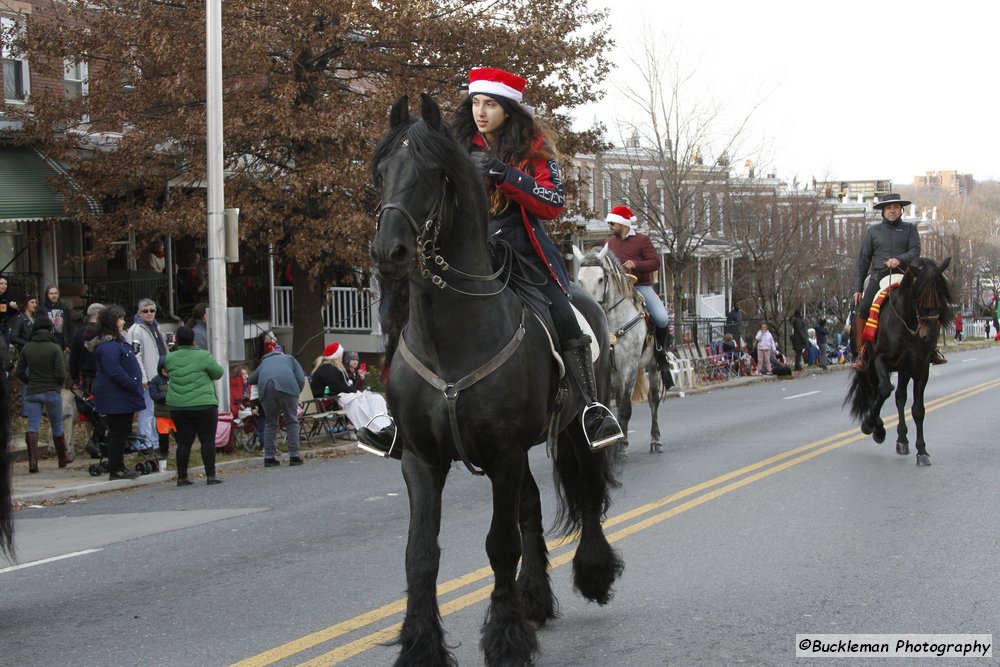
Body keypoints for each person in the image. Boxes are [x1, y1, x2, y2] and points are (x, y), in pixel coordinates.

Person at [426, 65, 619, 452]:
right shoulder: (458, 145)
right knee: (414, 304)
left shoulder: (534, 150)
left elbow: (553, 204)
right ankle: (402, 415)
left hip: (521, 255)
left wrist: (504, 174)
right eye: (476, 103)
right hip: (464, 253)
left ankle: (591, 409)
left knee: (567, 316)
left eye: (490, 105)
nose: (481, 112)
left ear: (508, 110)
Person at [852, 193, 944, 370]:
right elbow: (863, 261)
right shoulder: (873, 232)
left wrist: (899, 260)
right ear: (883, 211)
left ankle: (932, 349)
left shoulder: (910, 229)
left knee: (928, 305)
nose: (892, 211)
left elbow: (915, 252)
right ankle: (862, 352)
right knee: (862, 309)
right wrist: (857, 288)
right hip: (880, 276)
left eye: (895, 208)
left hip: (905, 276)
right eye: (889, 208)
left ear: (901, 210)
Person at [604, 205, 673, 372]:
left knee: (662, 318)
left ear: (623, 223)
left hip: (640, 286)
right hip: (616, 289)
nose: (610, 227)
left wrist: (636, 264)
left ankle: (661, 354)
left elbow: (654, 262)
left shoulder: (643, 240)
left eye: (613, 223)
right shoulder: (609, 242)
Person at [88, 305, 144, 480]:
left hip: (122, 395)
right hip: (116, 395)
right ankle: (116, 468)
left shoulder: (118, 342)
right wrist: (131, 384)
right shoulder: (108, 346)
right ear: (113, 322)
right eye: (120, 318)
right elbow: (113, 370)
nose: (123, 321)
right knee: (117, 432)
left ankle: (119, 465)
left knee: (121, 431)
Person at [164, 326, 224, 485]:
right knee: (207, 440)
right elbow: (218, 373)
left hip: (178, 406)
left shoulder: (170, 357)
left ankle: (182, 477)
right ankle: (210, 475)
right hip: (204, 404)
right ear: (193, 339)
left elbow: (163, 371)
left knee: (183, 442)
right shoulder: (203, 355)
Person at [312, 343, 391, 455]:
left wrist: (356, 386)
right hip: (327, 400)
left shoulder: (333, 368)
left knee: (376, 398)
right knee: (356, 403)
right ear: (336, 356)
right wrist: (352, 391)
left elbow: (347, 385)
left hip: (337, 396)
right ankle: (366, 428)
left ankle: (380, 424)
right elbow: (336, 386)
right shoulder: (327, 368)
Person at [15, 313, 69, 472]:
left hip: (32, 391)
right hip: (51, 390)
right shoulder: (54, 347)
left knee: (33, 426)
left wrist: (29, 382)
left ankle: (33, 463)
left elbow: (19, 371)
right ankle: (62, 459)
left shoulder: (27, 347)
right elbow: (61, 373)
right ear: (50, 329)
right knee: (57, 425)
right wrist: (57, 385)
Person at [247, 339, 306, 467]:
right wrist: (296, 392)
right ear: (282, 353)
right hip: (288, 388)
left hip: (266, 390)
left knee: (270, 423)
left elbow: (251, 379)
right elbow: (301, 379)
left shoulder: (265, 362)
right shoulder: (290, 359)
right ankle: (294, 456)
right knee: (291, 420)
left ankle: (269, 457)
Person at [127, 298, 169, 449]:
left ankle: (154, 441)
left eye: (152, 310)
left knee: (156, 411)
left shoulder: (157, 327)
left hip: (158, 376)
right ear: (139, 312)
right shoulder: (136, 330)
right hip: (148, 377)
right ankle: (145, 444)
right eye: (145, 311)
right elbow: (135, 356)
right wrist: (143, 377)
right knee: (147, 412)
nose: (149, 314)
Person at [69, 302, 104, 393]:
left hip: (86, 376)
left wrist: (75, 377)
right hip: (101, 375)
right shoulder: (104, 332)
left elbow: (74, 357)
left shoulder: (79, 332)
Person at [147, 356, 173, 463]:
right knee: (163, 435)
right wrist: (169, 395)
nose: (166, 372)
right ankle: (163, 453)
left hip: (175, 413)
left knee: (180, 435)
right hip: (162, 414)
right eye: (164, 370)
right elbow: (154, 395)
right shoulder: (155, 381)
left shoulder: (176, 378)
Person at [38, 285, 74, 351]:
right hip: (48, 345)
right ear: (47, 295)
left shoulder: (64, 308)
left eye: (56, 293)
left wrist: (69, 345)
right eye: (51, 293)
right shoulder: (42, 310)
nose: (54, 296)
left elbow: (70, 327)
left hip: (63, 345)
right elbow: (39, 329)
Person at [0, 275, 16, 348]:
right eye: (1, 284)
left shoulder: (7, 297)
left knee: (6, 346)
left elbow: (10, 314)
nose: (4, 286)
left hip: (5, 325)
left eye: (6, 284)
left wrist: (14, 308)